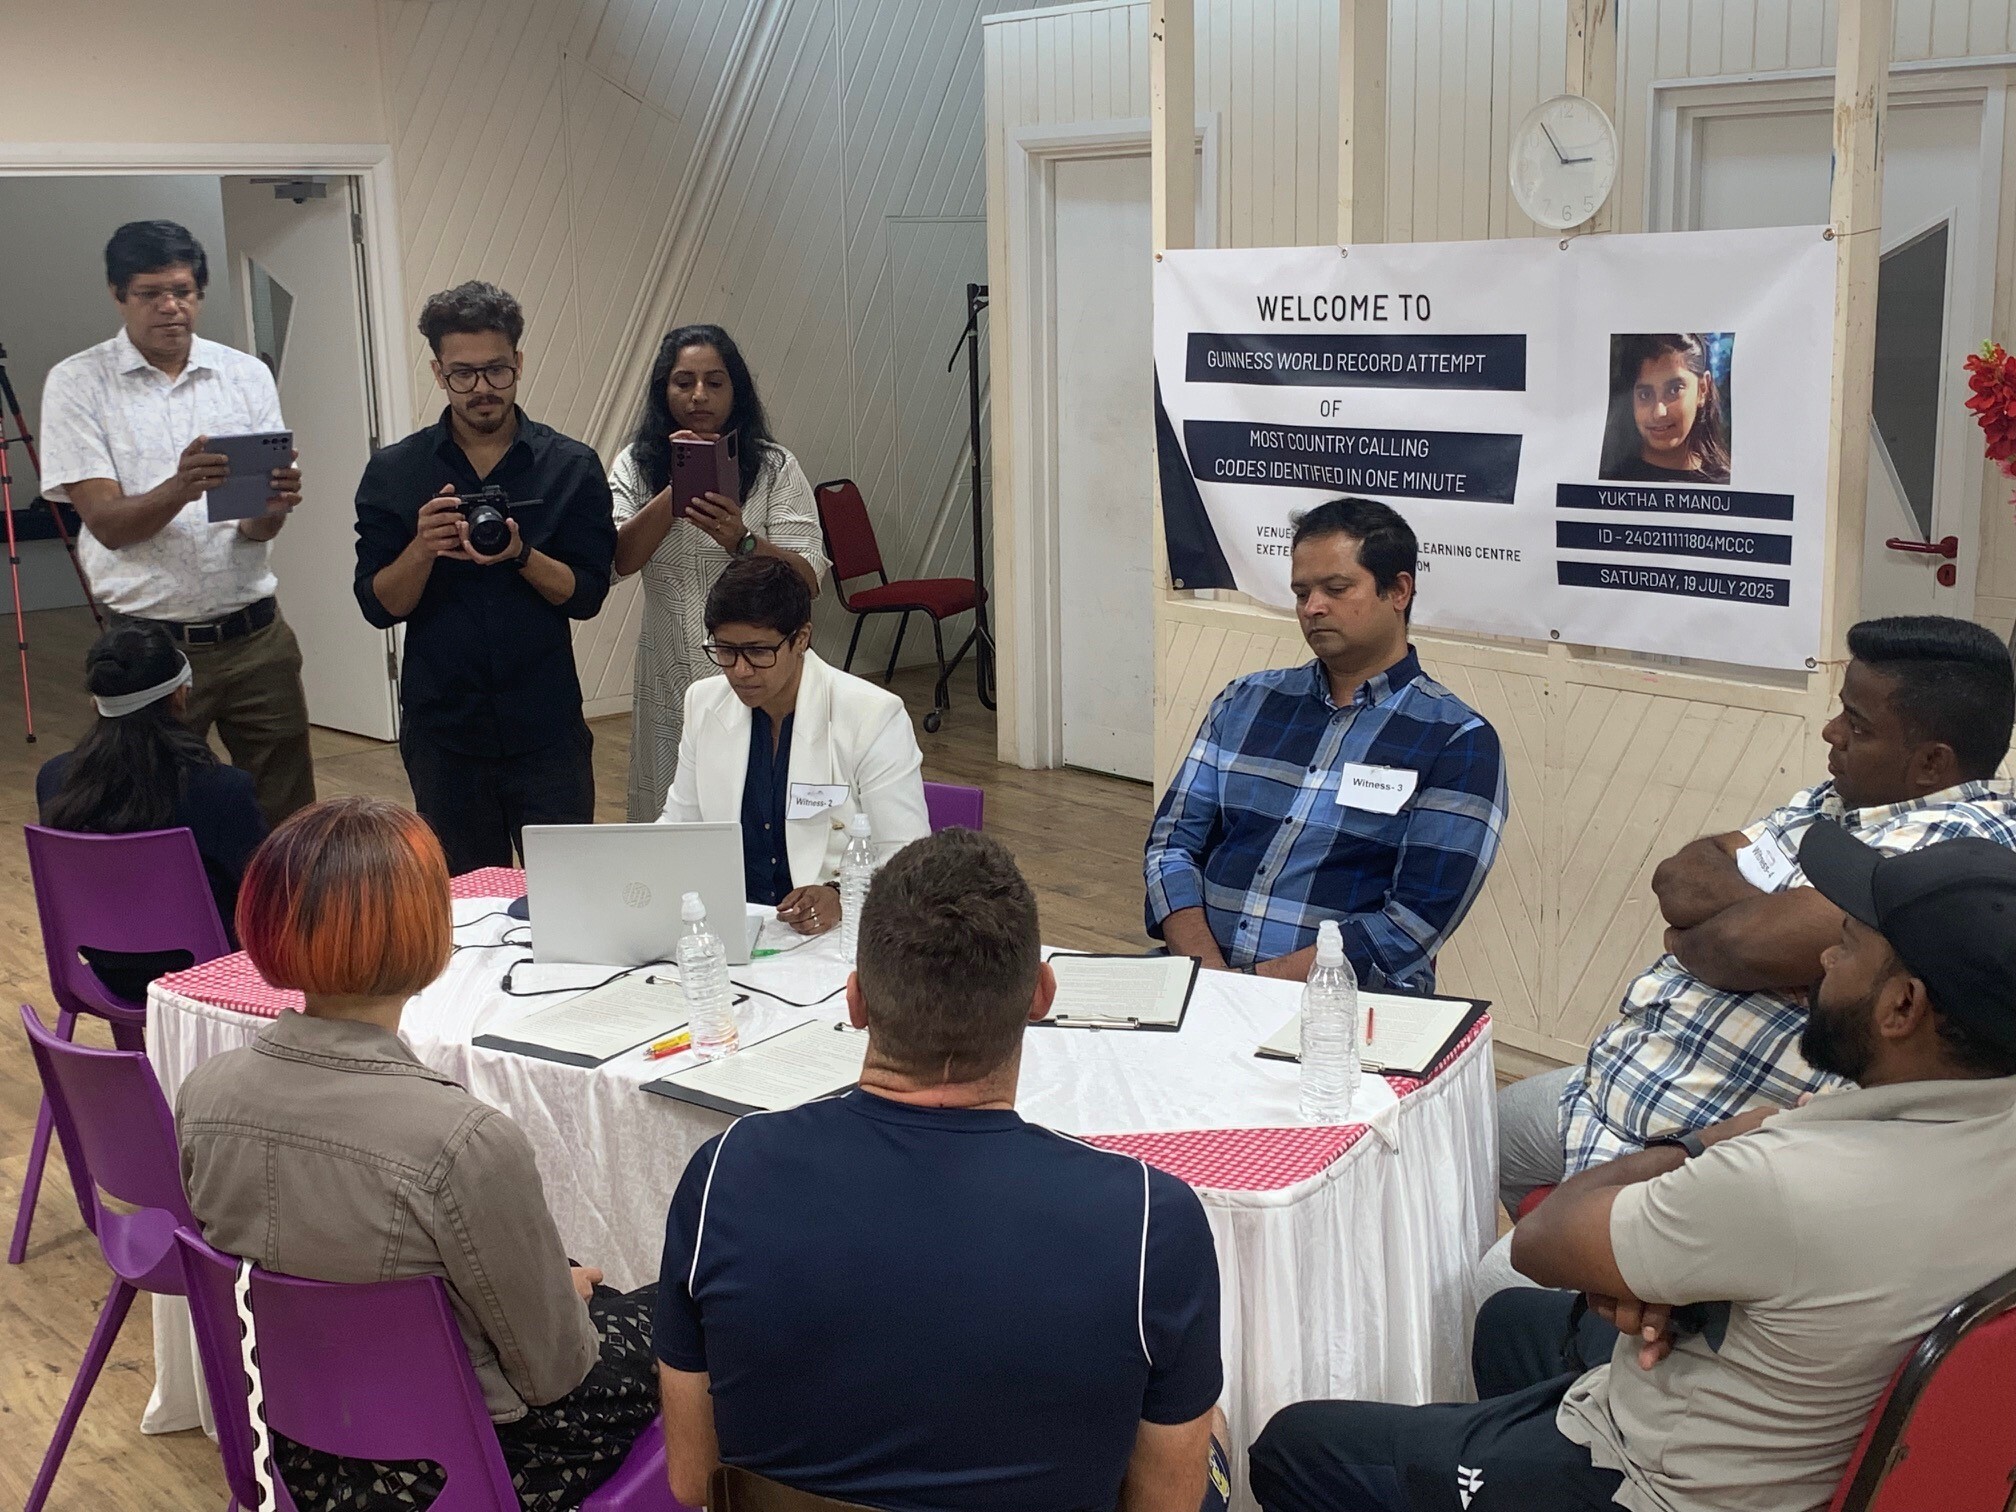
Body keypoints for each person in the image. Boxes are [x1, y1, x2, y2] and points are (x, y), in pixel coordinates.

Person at [1250, 823, 2016, 1512]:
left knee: (1294, 1446)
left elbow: (1543, 1239)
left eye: (1847, 945)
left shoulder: (1789, 1179)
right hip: (1795, 1412)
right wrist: (1671, 1276)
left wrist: (1702, 1145)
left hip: (1660, 1482)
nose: (1823, 959)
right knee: (1510, 1323)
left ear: (1902, 1006)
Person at [654, 828, 1228, 1511]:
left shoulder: (723, 1175)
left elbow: (693, 1479)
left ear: (856, 1001)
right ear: (1042, 995)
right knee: (1213, 1427)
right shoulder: (1152, 1221)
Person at [176, 797, 659, 1512]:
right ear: (426, 932)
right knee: (684, 1312)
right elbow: (555, 1374)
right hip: (457, 1469)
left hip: (292, 1451)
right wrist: (567, 1301)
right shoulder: (462, 1142)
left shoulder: (203, 1095)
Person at [1495, 616, 2016, 1230]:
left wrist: (1726, 933)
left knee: (1498, 1276)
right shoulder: (1835, 799)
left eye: (1857, 725)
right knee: (1489, 1132)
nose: (1831, 732)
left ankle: (1590, 1285)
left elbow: (1739, 945)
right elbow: (1679, 876)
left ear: (1931, 762)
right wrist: (1760, 919)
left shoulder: (1959, 854)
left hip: (1712, 1140)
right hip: (1620, 1082)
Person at [1143, 497, 1507, 989]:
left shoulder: (1458, 741)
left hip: (1339, 1005)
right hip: (1199, 979)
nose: (1312, 608)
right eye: (1301, 593)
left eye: (1336, 589)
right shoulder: (1244, 703)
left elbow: (1412, 924)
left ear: (1399, 590)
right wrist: (1209, 976)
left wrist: (1250, 988)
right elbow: (1170, 848)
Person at [37, 219, 313, 825]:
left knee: (288, 816)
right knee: (147, 812)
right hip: (147, 643)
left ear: (200, 293)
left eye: (183, 291)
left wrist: (273, 506)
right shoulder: (78, 384)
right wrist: (180, 487)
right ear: (118, 295)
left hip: (254, 633)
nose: (170, 307)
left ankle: (279, 896)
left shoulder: (244, 375)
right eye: (150, 293)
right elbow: (107, 524)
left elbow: (255, 531)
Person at [353, 282, 617, 873]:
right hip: (444, 729)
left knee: (569, 886)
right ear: (438, 372)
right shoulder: (397, 472)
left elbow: (587, 595)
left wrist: (521, 554)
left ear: (518, 362)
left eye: (496, 370)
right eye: (462, 374)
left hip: (545, 723)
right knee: (463, 898)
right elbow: (378, 606)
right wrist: (423, 547)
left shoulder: (570, 465)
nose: (482, 389)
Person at [609, 325, 828, 822]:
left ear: (736, 390)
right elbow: (618, 562)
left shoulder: (773, 467)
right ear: (664, 390)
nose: (699, 395)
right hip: (667, 671)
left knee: (759, 807)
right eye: (683, 382)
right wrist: (678, 485)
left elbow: (808, 577)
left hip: (761, 670)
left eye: (714, 382)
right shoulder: (635, 465)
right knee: (670, 812)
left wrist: (742, 541)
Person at [658, 556, 927, 934]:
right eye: (726, 651)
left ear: (801, 639)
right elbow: (678, 828)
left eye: (758, 651)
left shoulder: (872, 715)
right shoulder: (704, 702)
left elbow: (908, 855)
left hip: (836, 932)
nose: (740, 670)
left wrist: (841, 895)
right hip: (732, 923)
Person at [37, 623, 267, 996]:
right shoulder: (222, 789)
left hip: (103, 969)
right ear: (180, 695)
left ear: (96, 701)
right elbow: (260, 893)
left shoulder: (54, 779)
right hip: (208, 976)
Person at [1599, 333, 1732, 486]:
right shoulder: (1607, 483)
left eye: (1674, 390)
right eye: (1645, 395)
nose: (1659, 412)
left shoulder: (1728, 488)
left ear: (1702, 389)